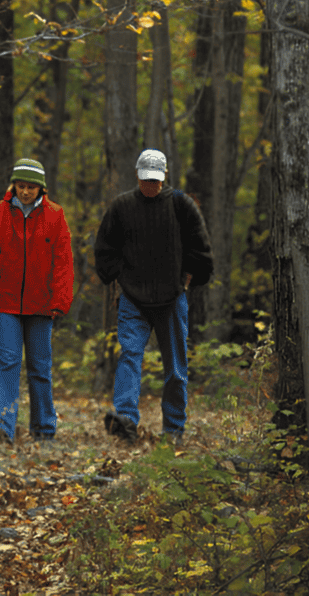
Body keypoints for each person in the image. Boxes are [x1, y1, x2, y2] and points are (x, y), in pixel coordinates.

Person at [93, 147, 213, 443]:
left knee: (175, 368)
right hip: (133, 297)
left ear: (165, 177)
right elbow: (105, 249)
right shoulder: (121, 206)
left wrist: (188, 278)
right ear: (137, 176)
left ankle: (173, 428)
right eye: (146, 180)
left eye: (155, 180)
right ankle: (125, 420)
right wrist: (118, 275)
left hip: (171, 298)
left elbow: (200, 248)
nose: (150, 185)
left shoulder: (181, 205)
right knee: (130, 356)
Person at [0, 157, 74, 443]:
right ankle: (1, 425)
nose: (25, 192)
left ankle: (44, 430)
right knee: (8, 362)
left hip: (41, 304)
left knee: (40, 367)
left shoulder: (55, 216)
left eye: (31, 187)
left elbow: (63, 261)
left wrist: (61, 298)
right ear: (14, 185)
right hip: (4, 302)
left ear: (41, 188)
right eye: (21, 186)